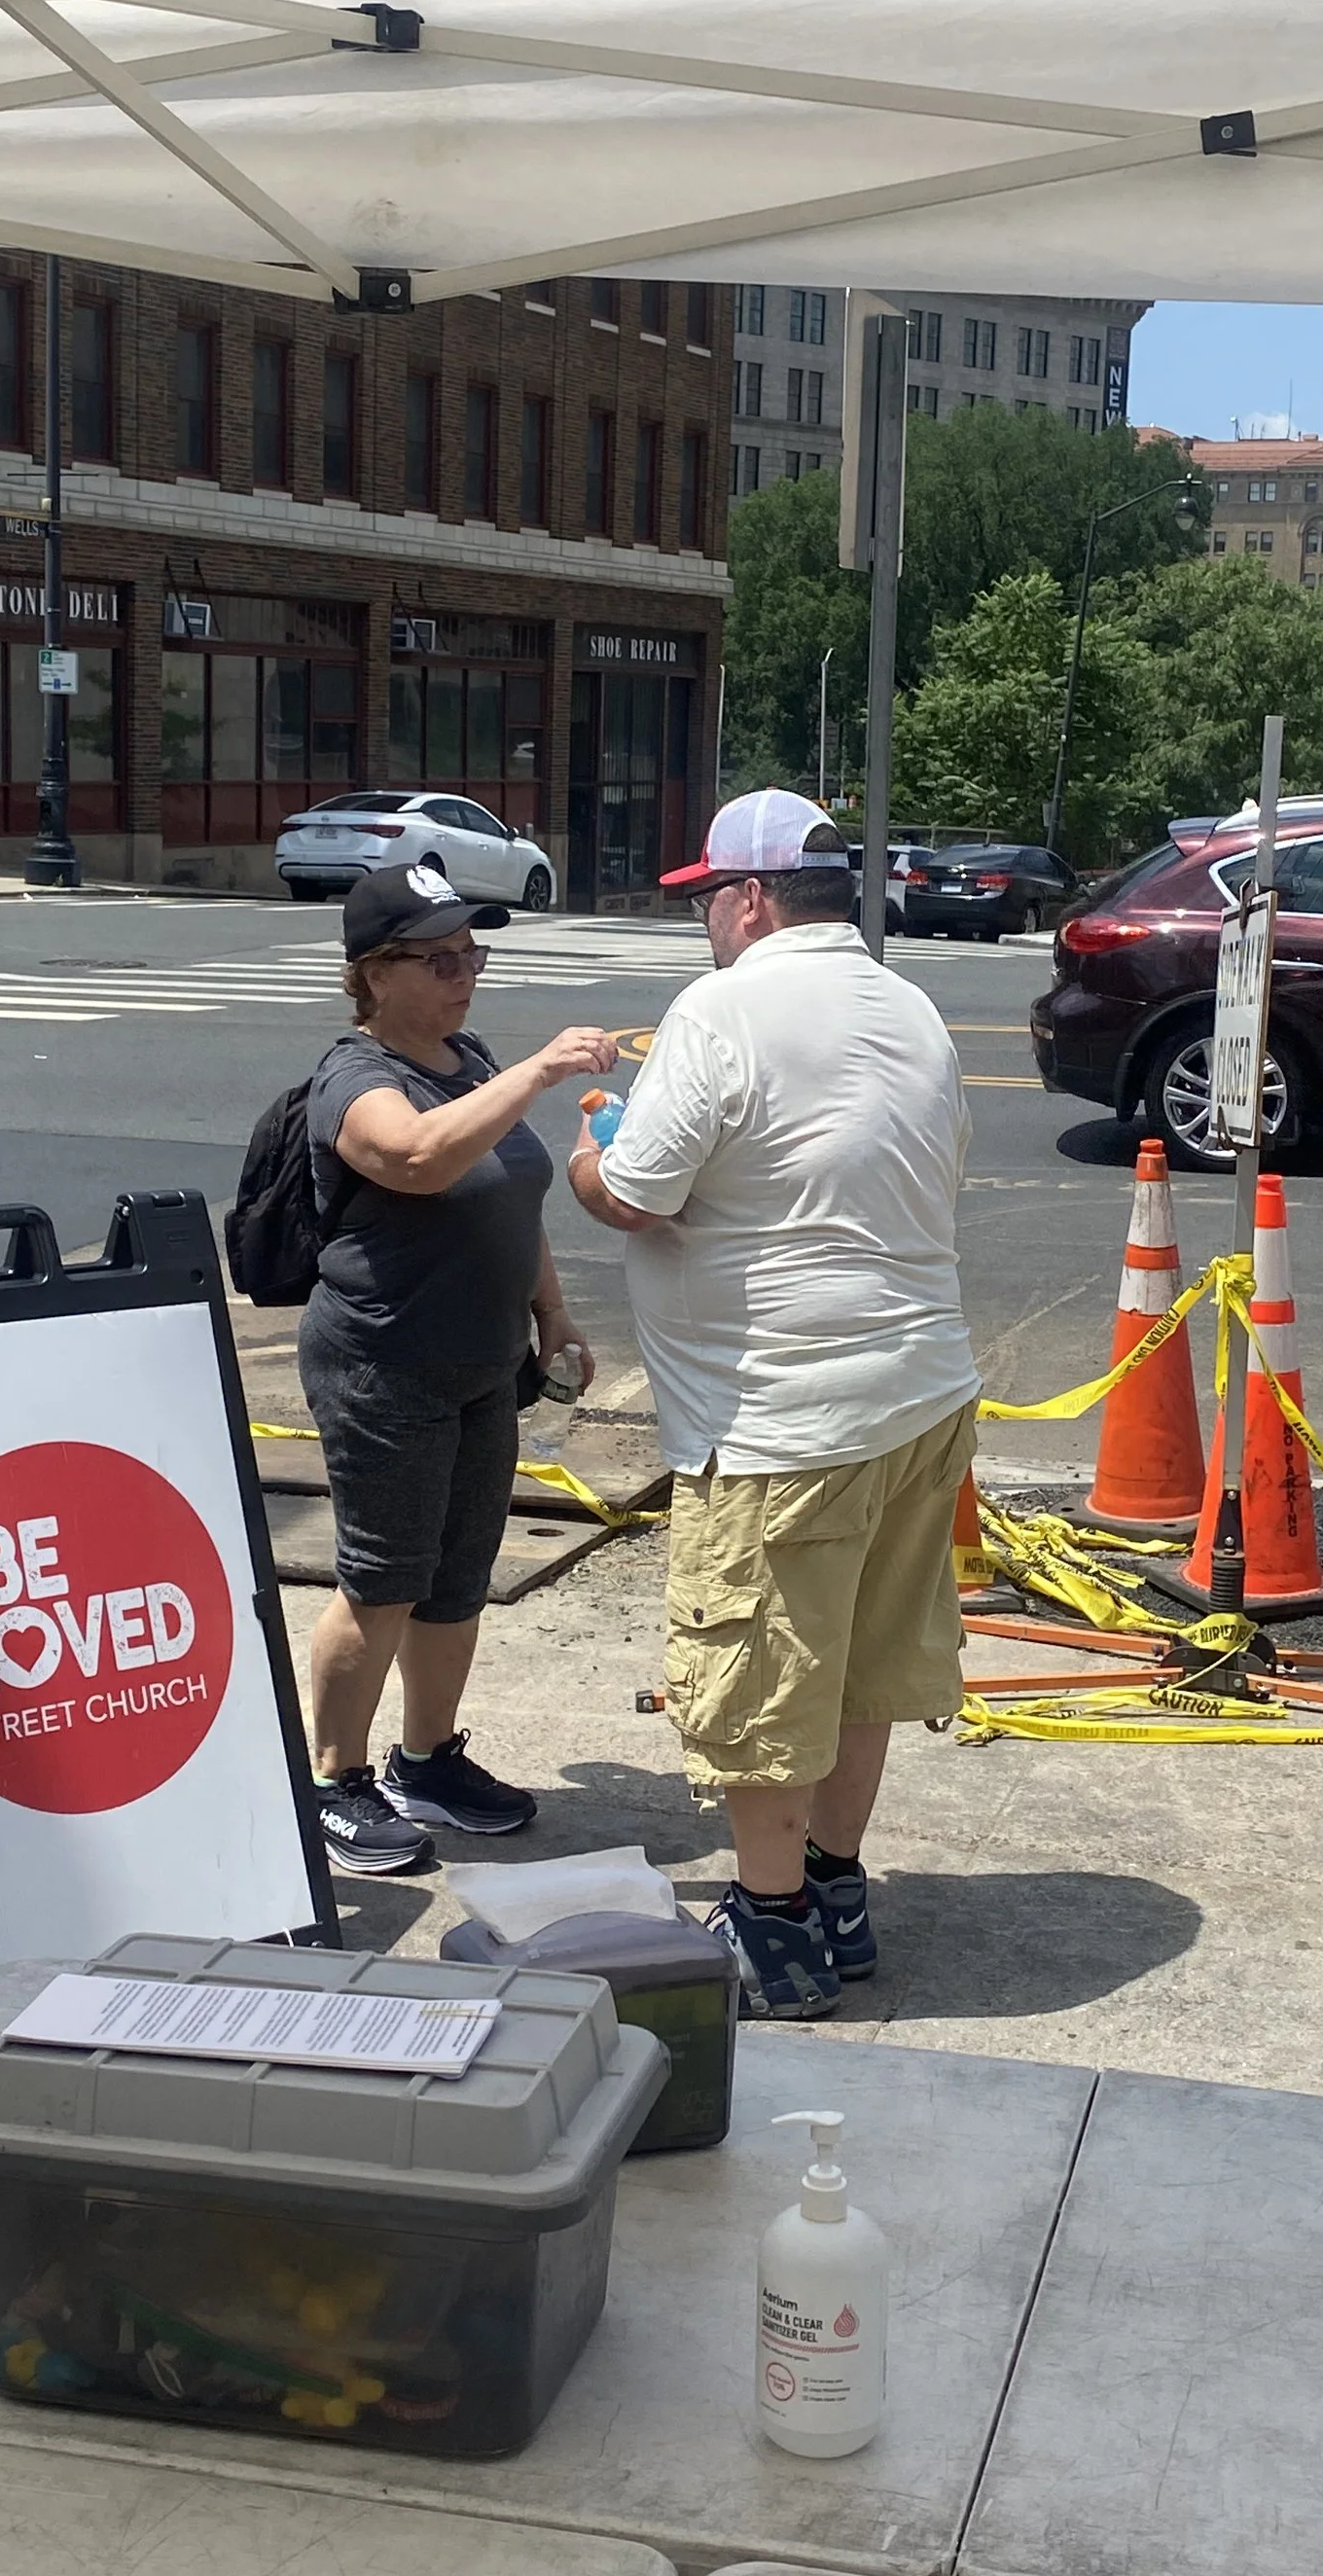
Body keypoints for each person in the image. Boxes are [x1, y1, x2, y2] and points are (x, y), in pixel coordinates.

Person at [567, 790, 979, 2017]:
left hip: (782, 1416)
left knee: (758, 1678)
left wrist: (596, 1146)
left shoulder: (724, 1007)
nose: (702, 922)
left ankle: (774, 1926)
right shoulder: (908, 1006)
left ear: (749, 899)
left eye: (706, 901)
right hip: (920, 1393)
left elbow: (637, 1194)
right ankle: (835, 1889)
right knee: (862, 1663)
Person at [300, 864, 616, 1875]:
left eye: (471, 954)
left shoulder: (463, 1053)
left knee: (456, 1577)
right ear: (374, 972)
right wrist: (537, 1072)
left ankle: (427, 1759)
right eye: (439, 958)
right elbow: (420, 1160)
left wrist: (552, 1311)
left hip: (482, 1362)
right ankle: (332, 1781)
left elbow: (505, 1198)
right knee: (382, 1579)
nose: (462, 974)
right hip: (384, 1364)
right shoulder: (355, 1080)